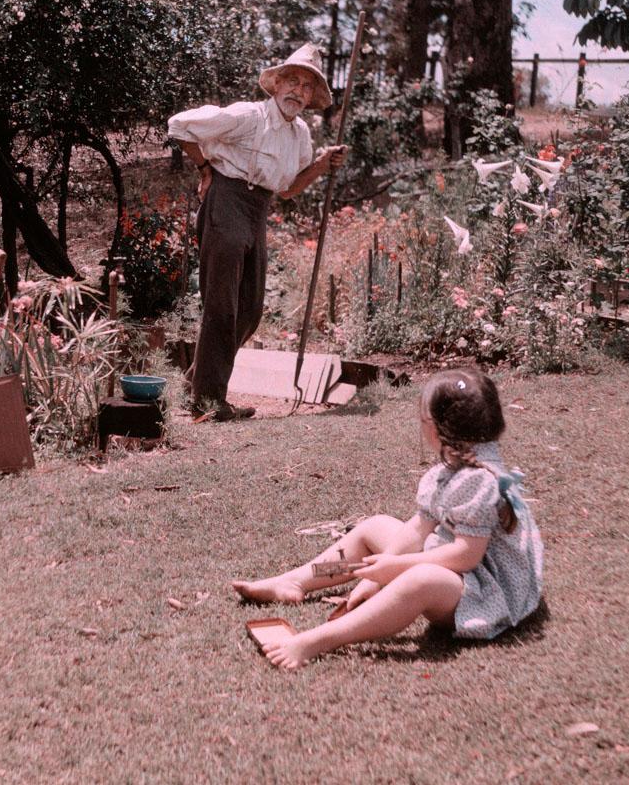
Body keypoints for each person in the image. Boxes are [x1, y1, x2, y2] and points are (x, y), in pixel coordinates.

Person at [232, 366, 544, 670]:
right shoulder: (455, 467)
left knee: (419, 579)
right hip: (461, 567)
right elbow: (418, 528)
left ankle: (318, 640)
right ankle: (295, 581)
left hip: (486, 592)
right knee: (375, 527)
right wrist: (373, 576)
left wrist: (394, 569)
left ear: (435, 427)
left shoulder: (478, 479)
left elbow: (465, 556)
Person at [167, 45, 347, 421]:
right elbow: (180, 125)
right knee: (222, 306)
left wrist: (322, 165)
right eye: (293, 81)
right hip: (226, 200)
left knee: (249, 311)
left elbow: (288, 189)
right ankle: (209, 401)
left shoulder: (299, 135)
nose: (298, 91)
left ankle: (199, 385)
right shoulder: (247, 116)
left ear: (312, 97)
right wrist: (204, 170)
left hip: (257, 210)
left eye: (307, 86)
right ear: (276, 83)